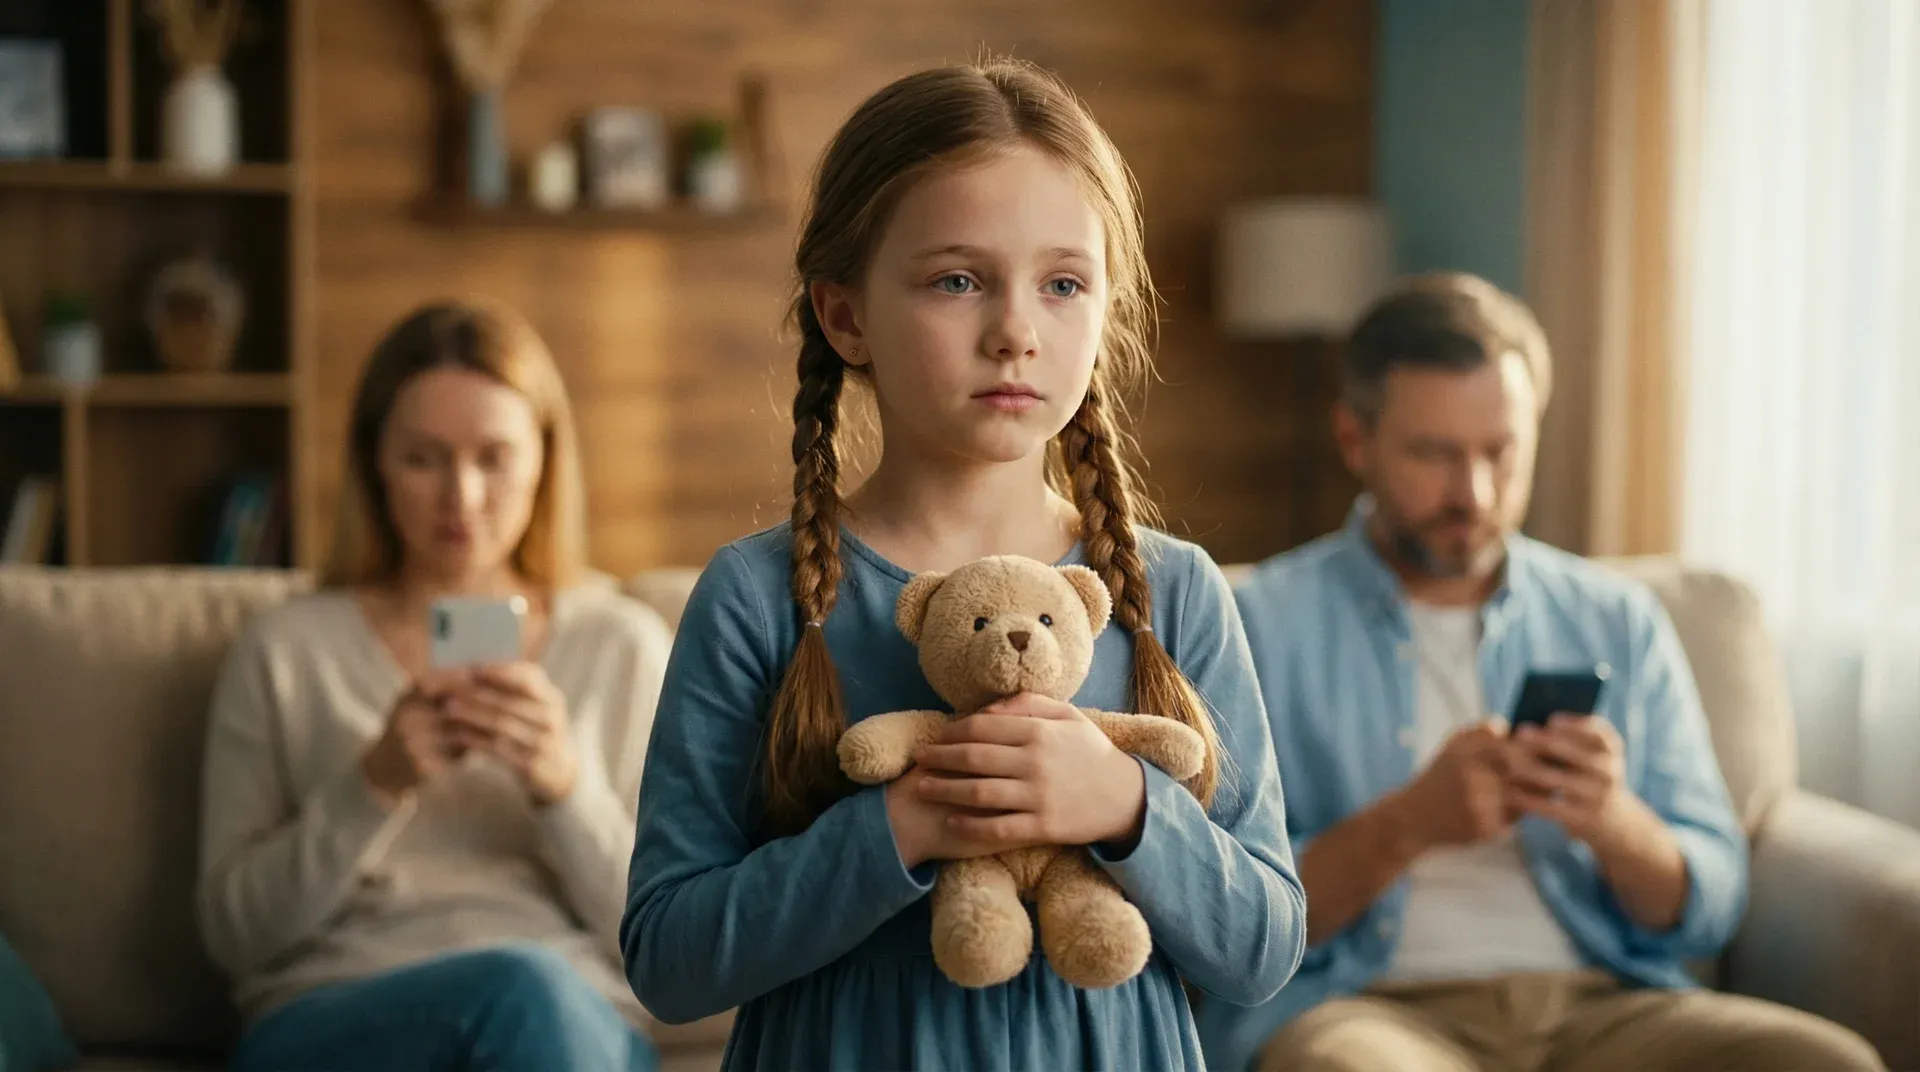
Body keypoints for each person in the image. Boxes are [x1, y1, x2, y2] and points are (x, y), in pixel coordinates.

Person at [620, 59, 1306, 1071]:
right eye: (957, 281)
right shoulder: (757, 596)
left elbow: (1264, 949)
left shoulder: (1175, 591)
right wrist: (904, 824)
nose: (1016, 333)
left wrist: (1126, 806)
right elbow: (669, 960)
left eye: (1063, 284)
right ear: (844, 316)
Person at [1198, 272, 1884, 1072]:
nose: (1474, 492)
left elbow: (1711, 906)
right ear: (1356, 441)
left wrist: (1613, 822)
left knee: (1828, 1061)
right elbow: (1222, 917)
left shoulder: (1616, 619)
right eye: (1433, 454)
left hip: (1604, 1007)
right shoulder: (1255, 625)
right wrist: (1410, 823)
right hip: (1367, 1010)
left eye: (1502, 452)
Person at [196, 302, 672, 1072]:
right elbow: (234, 937)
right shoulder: (285, 651)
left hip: (566, 1020)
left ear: (545, 460)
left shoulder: (620, 647)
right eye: (423, 458)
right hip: (342, 1013)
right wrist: (371, 786)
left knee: (529, 992)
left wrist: (565, 791)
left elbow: (675, 943)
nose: (462, 497)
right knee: (519, 990)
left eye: (494, 458)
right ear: (373, 464)